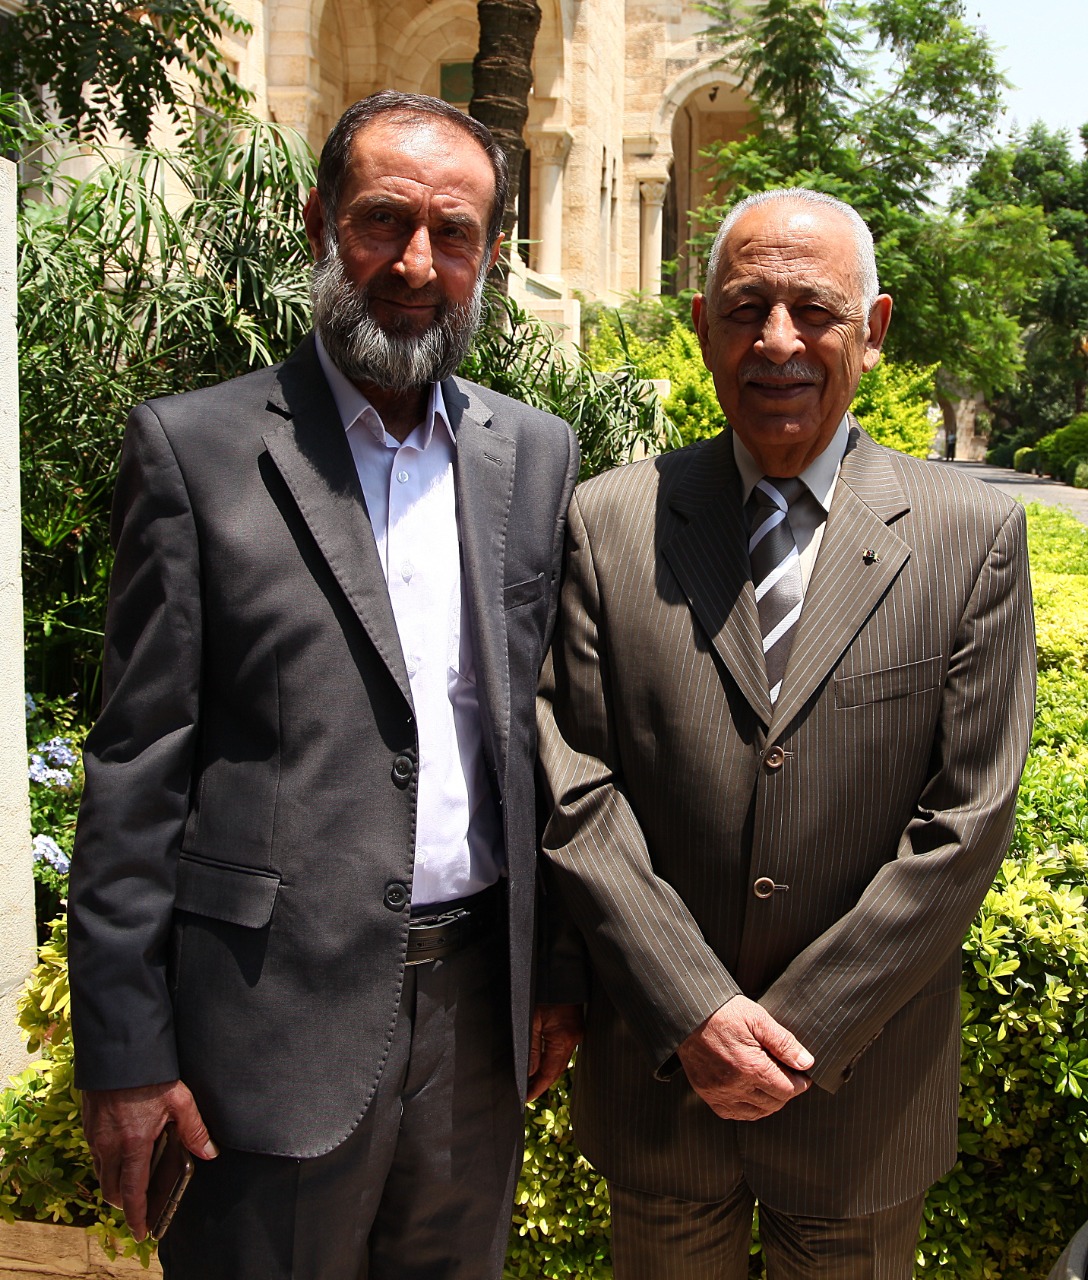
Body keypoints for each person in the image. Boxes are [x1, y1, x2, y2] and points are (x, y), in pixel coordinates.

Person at [68, 91, 583, 1280]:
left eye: (453, 234)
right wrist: (126, 1050)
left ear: (490, 254)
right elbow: (136, 768)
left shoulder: (533, 453)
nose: (415, 264)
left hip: (475, 1029)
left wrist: (554, 971)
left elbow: (541, 736)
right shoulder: (197, 451)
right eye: (382, 220)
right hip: (264, 1027)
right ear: (318, 222)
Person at [537, 188, 1035, 1279]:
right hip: (663, 1088)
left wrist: (798, 1030)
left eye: (813, 310)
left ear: (873, 327)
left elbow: (966, 820)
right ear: (701, 324)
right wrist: (695, 1012)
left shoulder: (971, 534)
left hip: (863, 1101)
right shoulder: (609, 521)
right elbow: (576, 786)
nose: (776, 342)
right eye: (744, 308)